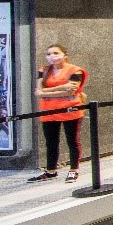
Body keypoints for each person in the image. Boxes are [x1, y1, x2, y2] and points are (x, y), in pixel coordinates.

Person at [28, 44, 88, 183]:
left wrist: (46, 91)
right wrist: (62, 87)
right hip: (48, 111)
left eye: (56, 53)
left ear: (65, 55)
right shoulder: (43, 70)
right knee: (51, 142)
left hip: (70, 109)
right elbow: (38, 91)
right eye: (49, 54)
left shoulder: (75, 70)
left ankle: (74, 170)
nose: (52, 56)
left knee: (72, 141)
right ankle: (51, 171)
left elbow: (71, 91)